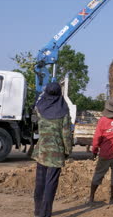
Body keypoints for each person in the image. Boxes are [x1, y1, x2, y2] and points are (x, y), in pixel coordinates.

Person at [31, 82, 72, 217]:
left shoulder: (40, 107)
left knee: (40, 182)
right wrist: (67, 151)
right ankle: (45, 213)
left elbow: (35, 124)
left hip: (42, 150)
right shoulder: (63, 110)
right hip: (56, 152)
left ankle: (37, 211)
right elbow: (66, 134)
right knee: (50, 184)